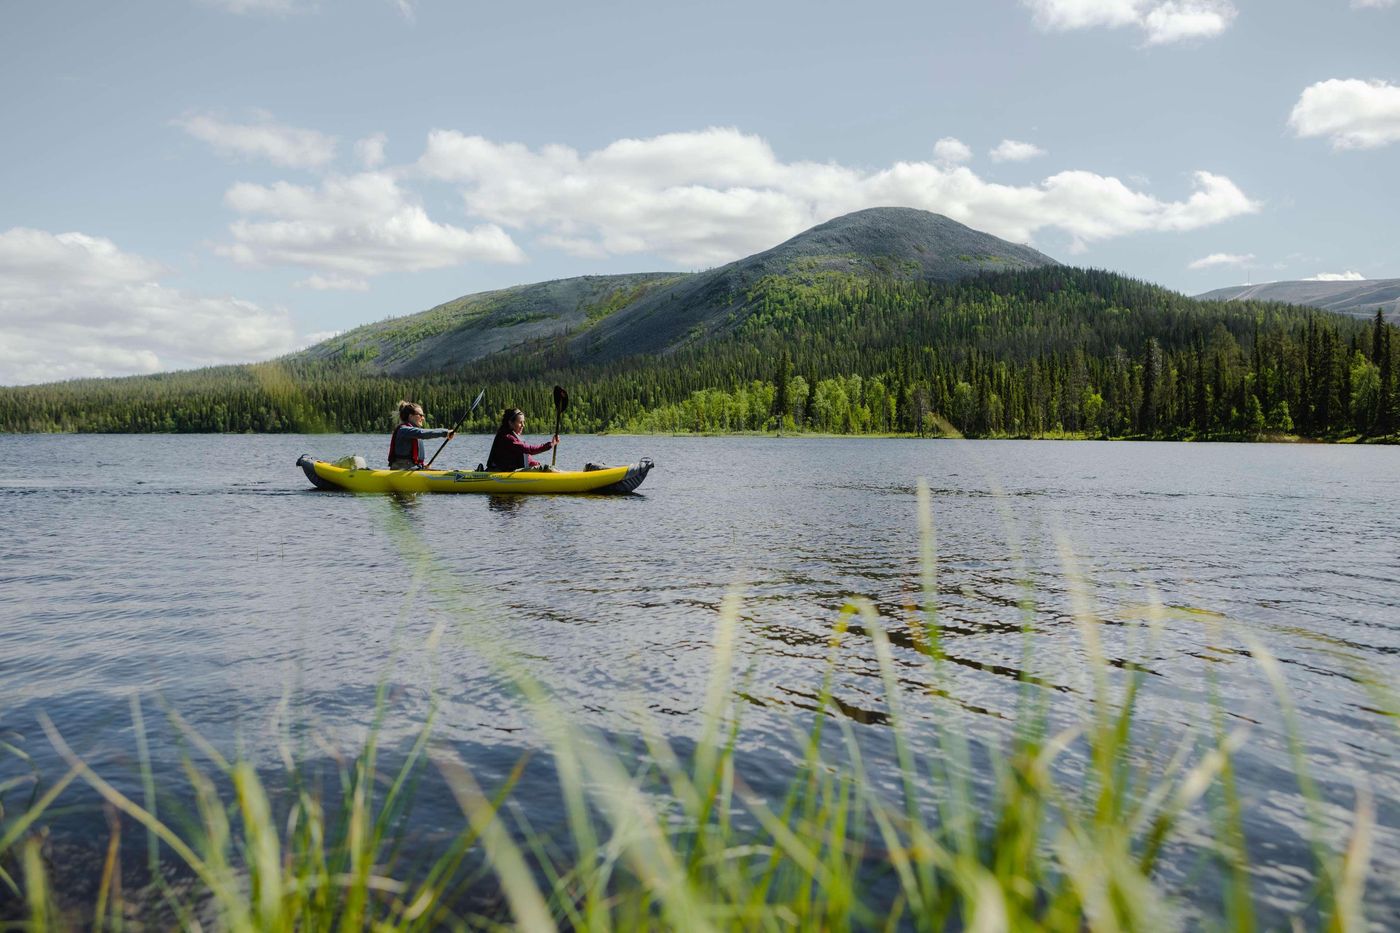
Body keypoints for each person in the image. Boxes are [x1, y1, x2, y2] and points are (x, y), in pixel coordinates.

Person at [486, 407, 558, 471]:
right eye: (520, 422)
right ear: (510, 423)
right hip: (500, 472)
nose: (523, 425)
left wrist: (534, 464)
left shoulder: (509, 434)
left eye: (523, 422)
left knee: (542, 467)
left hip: (509, 470)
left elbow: (525, 455)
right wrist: (550, 445)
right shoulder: (507, 437)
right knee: (546, 469)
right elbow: (529, 449)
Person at [388, 401, 454, 469]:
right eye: (420, 415)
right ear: (410, 416)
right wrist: (445, 432)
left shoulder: (413, 432)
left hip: (412, 468)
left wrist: (422, 466)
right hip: (401, 469)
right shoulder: (403, 430)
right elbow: (422, 433)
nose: (423, 418)